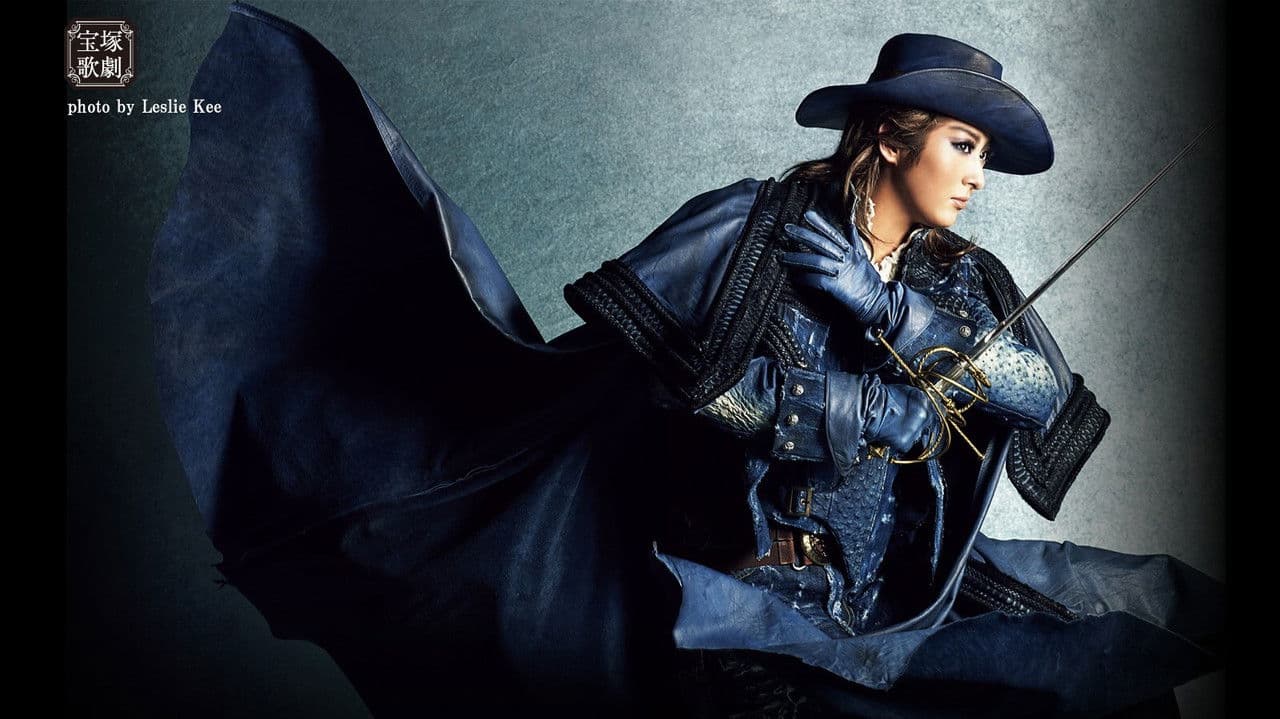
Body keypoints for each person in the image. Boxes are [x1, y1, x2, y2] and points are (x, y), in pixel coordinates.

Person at [148, 4, 1224, 717]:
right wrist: (846, 407)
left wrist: (895, 313)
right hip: (752, 601)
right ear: (892, 136)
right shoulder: (750, 229)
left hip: (902, 600)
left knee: (1112, 677)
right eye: (964, 144)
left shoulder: (963, 279)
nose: (977, 176)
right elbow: (679, 386)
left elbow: (1039, 397)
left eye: (981, 153)